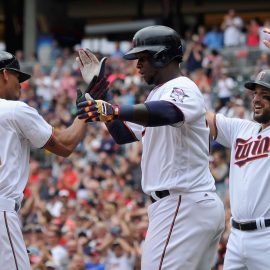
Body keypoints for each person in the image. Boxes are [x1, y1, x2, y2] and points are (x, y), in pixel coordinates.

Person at [77, 25, 225, 270]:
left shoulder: (183, 86)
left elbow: (167, 112)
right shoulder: (156, 97)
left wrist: (113, 109)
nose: (137, 65)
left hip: (182, 204)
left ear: (162, 56)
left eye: (142, 57)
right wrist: (98, 92)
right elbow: (123, 134)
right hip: (185, 206)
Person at [0, 50, 104, 270]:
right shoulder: (13, 110)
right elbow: (65, 144)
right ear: (4, 75)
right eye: (18, 77)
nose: (21, 84)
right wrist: (88, 105)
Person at [207, 68, 270, 270]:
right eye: (255, 94)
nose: (256, 100)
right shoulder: (241, 129)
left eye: (265, 96)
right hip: (236, 235)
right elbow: (200, 116)